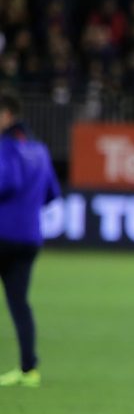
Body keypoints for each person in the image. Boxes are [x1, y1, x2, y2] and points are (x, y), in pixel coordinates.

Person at [0, 91, 61, 388]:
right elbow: (52, 194)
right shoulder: (39, 149)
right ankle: (29, 369)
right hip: (30, 237)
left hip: (2, 233)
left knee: (18, 301)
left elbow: (7, 181)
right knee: (19, 302)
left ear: (7, 115)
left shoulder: (5, 146)